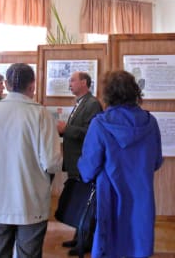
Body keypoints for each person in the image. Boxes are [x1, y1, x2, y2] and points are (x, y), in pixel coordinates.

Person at [0, 63, 62, 257]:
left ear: (5, 84)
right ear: (32, 85)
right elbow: (51, 161)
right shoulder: (40, 114)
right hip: (30, 200)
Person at [78, 70, 163, 258]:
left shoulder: (100, 124)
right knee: (138, 247)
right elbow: (156, 161)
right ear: (135, 91)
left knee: (109, 247)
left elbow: (88, 169)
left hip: (110, 199)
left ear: (108, 94)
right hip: (142, 199)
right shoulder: (151, 122)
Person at [57, 71, 102, 256]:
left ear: (84, 82)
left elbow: (91, 133)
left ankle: (86, 241)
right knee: (79, 201)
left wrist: (67, 129)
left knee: (85, 202)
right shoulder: (80, 103)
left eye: (73, 80)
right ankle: (79, 237)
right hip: (75, 162)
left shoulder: (92, 104)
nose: (70, 84)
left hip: (83, 162)